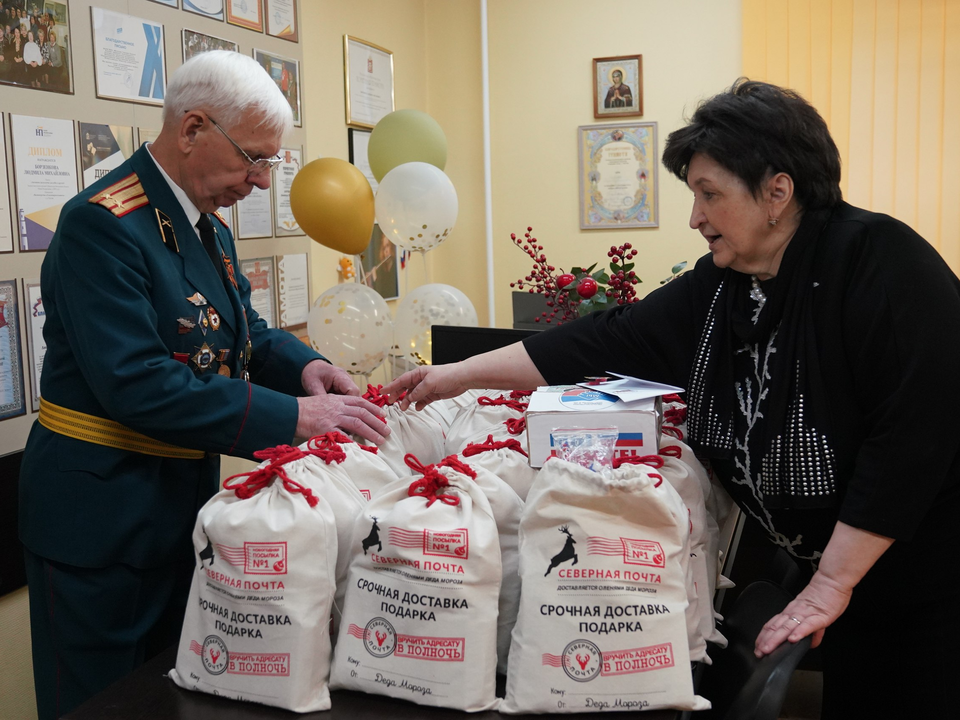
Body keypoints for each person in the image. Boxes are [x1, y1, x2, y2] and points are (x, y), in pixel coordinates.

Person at [384, 79, 960, 718]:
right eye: (695, 195)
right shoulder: (720, 286)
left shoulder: (881, 263)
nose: (695, 217)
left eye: (710, 194)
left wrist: (831, 582)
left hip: (929, 579)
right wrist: (457, 375)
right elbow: (600, 340)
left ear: (778, 191)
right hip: (849, 583)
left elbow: (917, 433)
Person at [19, 50, 389, 719]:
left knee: (170, 693)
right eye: (254, 157)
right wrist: (299, 419)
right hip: (99, 515)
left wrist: (303, 366)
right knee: (101, 701)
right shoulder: (102, 225)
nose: (259, 179)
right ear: (193, 129)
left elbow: (237, 327)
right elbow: (137, 383)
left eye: (270, 163)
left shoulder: (204, 224)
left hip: (175, 503)